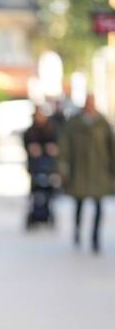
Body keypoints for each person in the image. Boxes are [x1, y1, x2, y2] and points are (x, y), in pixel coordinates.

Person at [59, 94, 115, 252]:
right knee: (79, 203)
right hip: (80, 170)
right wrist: (63, 166)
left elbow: (111, 148)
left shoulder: (102, 122)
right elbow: (64, 145)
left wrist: (112, 170)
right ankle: (77, 233)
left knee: (98, 206)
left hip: (99, 171)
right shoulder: (74, 122)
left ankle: (95, 238)